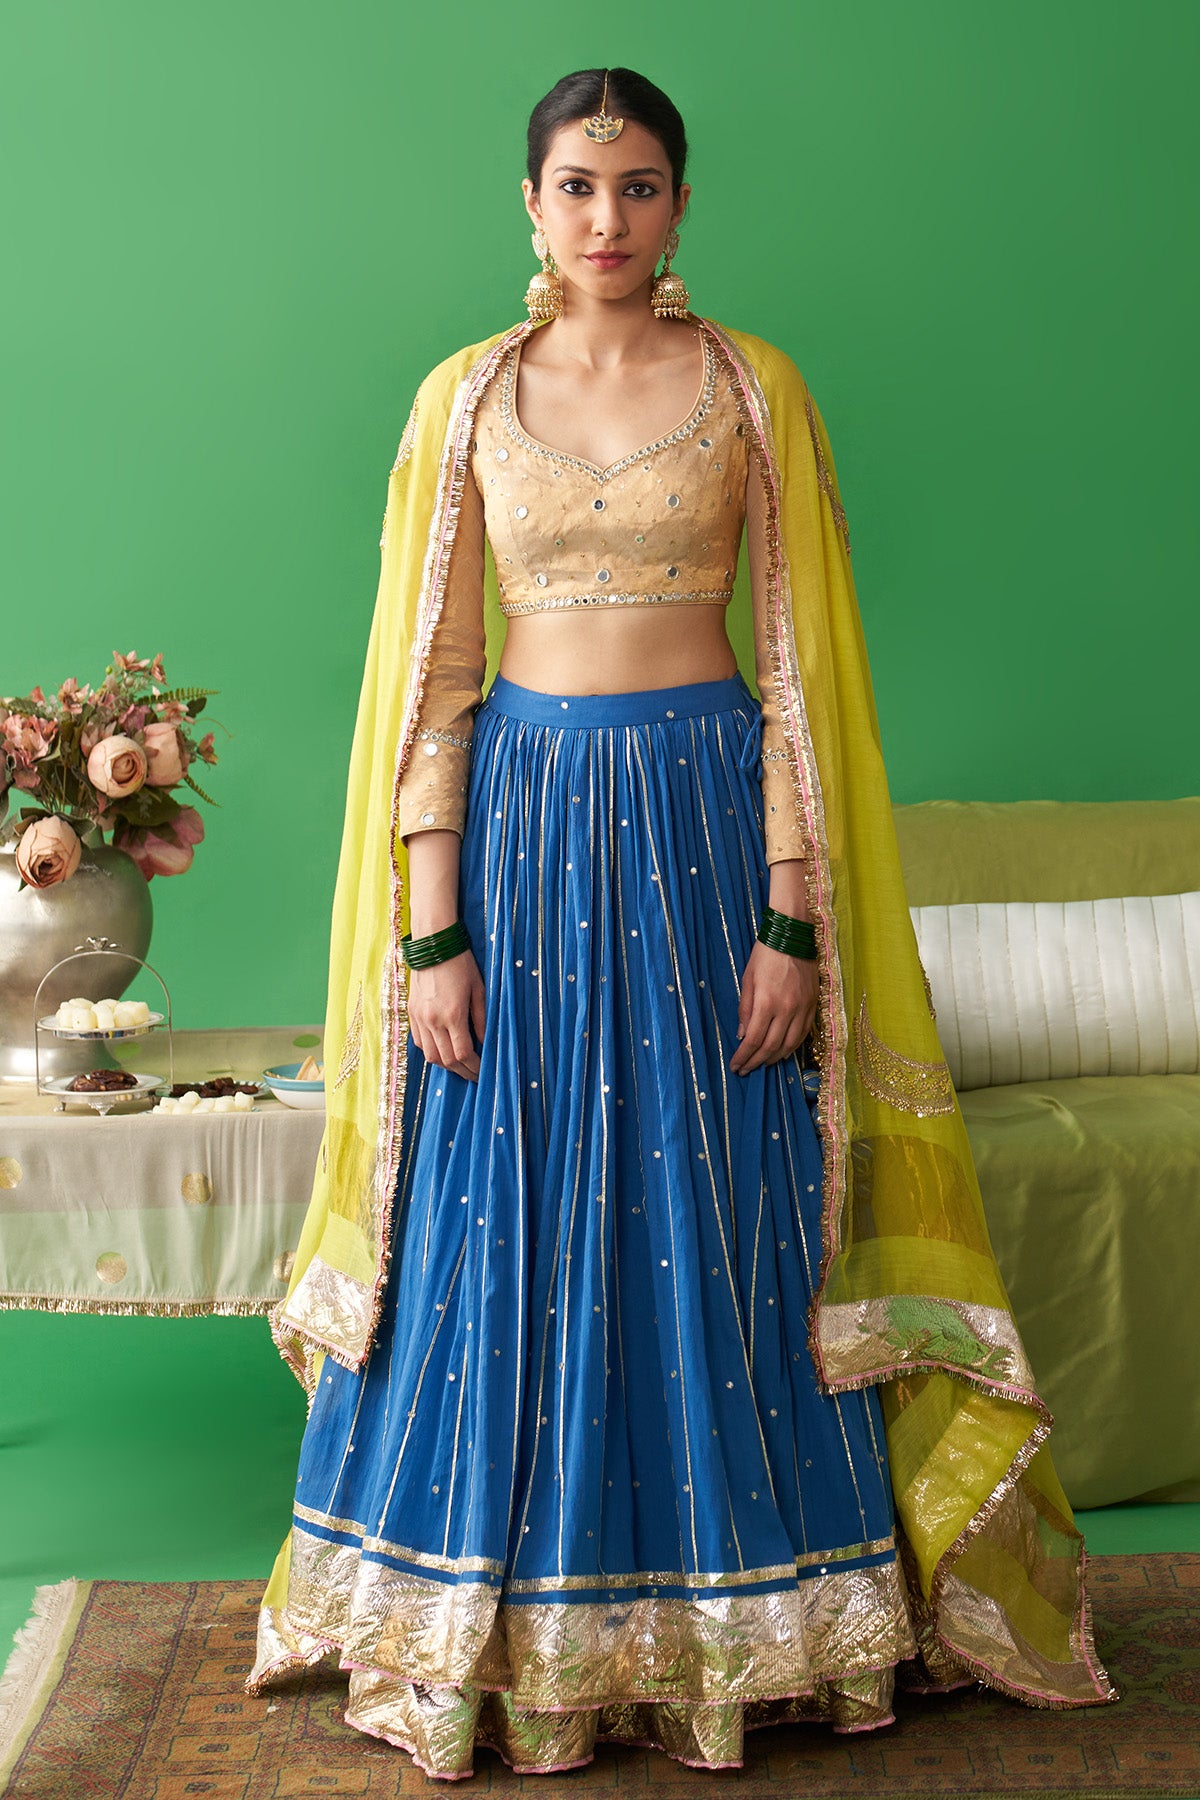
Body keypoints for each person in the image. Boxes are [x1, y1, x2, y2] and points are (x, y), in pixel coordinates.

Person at [247, 66, 1115, 1779]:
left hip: (711, 827)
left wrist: (793, 917)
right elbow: (434, 680)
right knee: (500, 1205)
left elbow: (796, 664)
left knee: (728, 1194)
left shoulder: (750, 386)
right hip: (520, 837)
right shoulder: (463, 397)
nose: (607, 218)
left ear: (681, 203)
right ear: (531, 202)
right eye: (578, 186)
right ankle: (489, 1631)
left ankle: (757, 1623)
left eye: (638, 186)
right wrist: (431, 934)